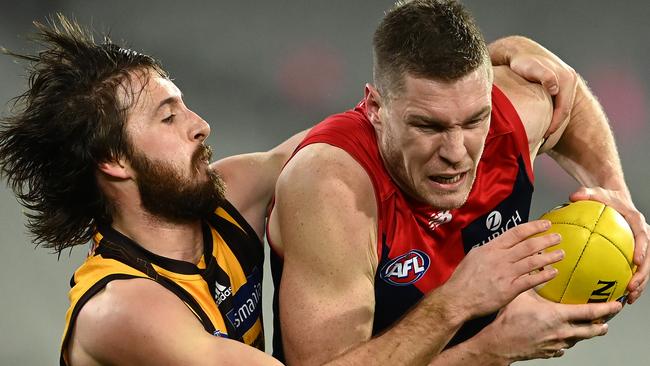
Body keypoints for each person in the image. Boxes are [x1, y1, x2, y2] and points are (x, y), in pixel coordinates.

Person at [0, 13, 596, 366]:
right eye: (167, 117)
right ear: (114, 162)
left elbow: (370, 129)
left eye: (185, 105)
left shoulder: (224, 197)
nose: (200, 125)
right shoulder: (124, 309)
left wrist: (483, 70)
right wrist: (478, 333)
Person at [267, 1, 649, 365]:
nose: (455, 152)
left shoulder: (510, 114)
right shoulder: (334, 191)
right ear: (376, 110)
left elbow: (570, 96)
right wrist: (483, 340)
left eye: (473, 121)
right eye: (427, 125)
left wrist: (616, 194)